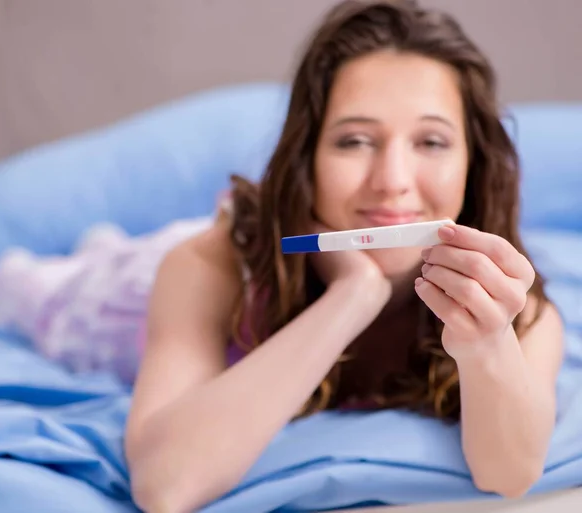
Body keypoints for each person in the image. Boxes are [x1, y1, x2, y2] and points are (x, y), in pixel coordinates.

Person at [124, 1, 564, 511]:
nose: (393, 182)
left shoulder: (517, 309)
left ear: (475, 166)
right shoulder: (208, 265)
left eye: (431, 141)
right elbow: (163, 485)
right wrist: (352, 296)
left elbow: (509, 475)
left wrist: (486, 345)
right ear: (307, 157)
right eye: (354, 140)